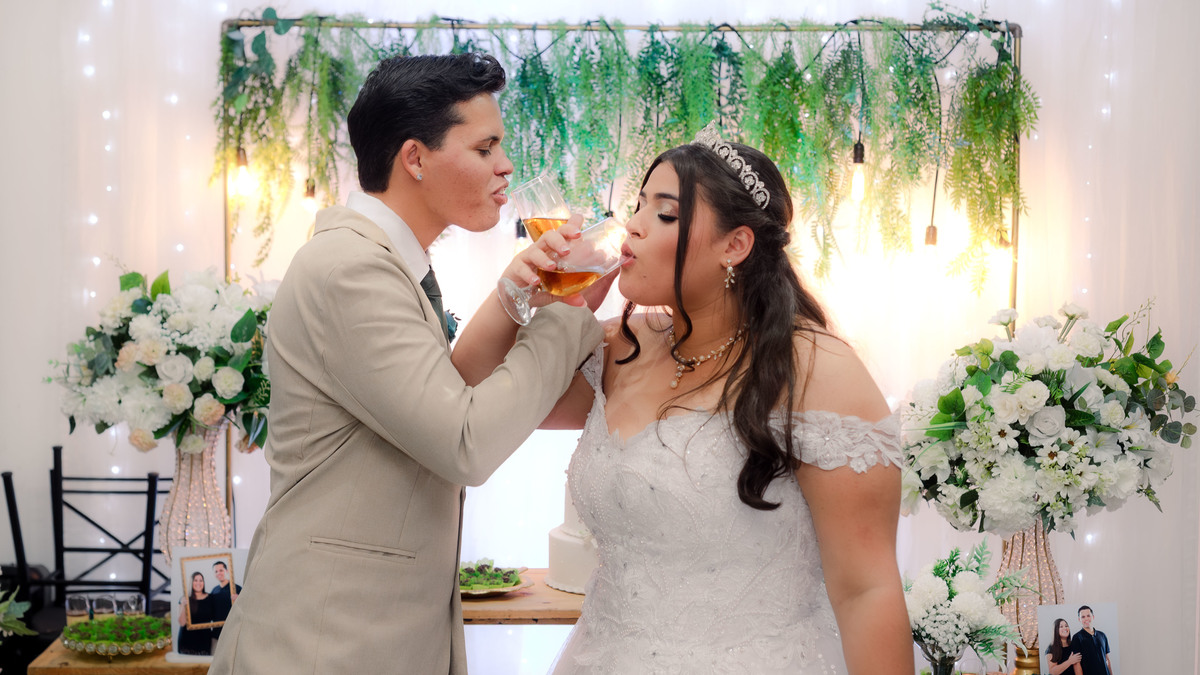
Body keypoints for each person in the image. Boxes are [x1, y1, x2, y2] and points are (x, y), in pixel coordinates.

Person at [456, 125, 912, 673]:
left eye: (666, 213)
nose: (633, 225)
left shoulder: (815, 369)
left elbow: (866, 591)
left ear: (734, 246)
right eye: (638, 206)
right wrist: (517, 291)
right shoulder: (618, 348)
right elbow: (474, 392)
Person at [207, 53, 604, 674]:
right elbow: (464, 442)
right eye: (485, 148)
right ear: (415, 158)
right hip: (325, 642)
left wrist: (513, 296)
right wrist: (565, 312)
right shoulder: (350, 269)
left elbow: (443, 396)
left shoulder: (384, 262)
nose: (506, 166)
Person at [176, 571, 213, 656]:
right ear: (191, 582)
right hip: (187, 640)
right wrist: (184, 605)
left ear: (203, 582)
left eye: (201, 580)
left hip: (204, 640)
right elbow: (182, 623)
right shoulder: (184, 598)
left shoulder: (210, 598)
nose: (198, 583)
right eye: (195, 580)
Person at [1071, 605, 1114, 675]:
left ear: (1093, 617)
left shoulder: (1102, 635)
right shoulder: (1077, 638)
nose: (1086, 619)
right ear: (1079, 619)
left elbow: (1107, 660)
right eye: (1083, 617)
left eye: (1088, 616)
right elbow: (1077, 664)